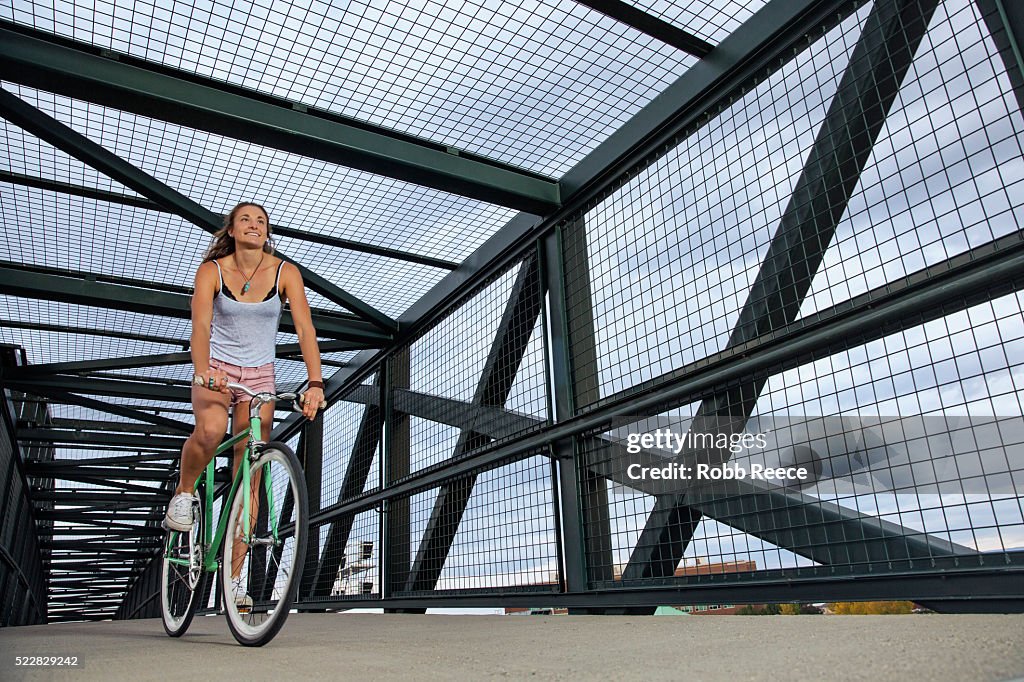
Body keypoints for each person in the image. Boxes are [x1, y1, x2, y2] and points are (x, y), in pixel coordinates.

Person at [163, 202, 325, 540]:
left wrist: (315, 383)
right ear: (232, 230)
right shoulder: (212, 271)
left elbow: (305, 329)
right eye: (245, 220)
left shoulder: (286, 272)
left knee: (248, 473)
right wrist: (203, 369)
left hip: (260, 374)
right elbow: (201, 325)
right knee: (210, 430)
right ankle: (184, 492)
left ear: (267, 232)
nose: (254, 224)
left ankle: (234, 583)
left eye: (261, 221)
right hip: (217, 370)